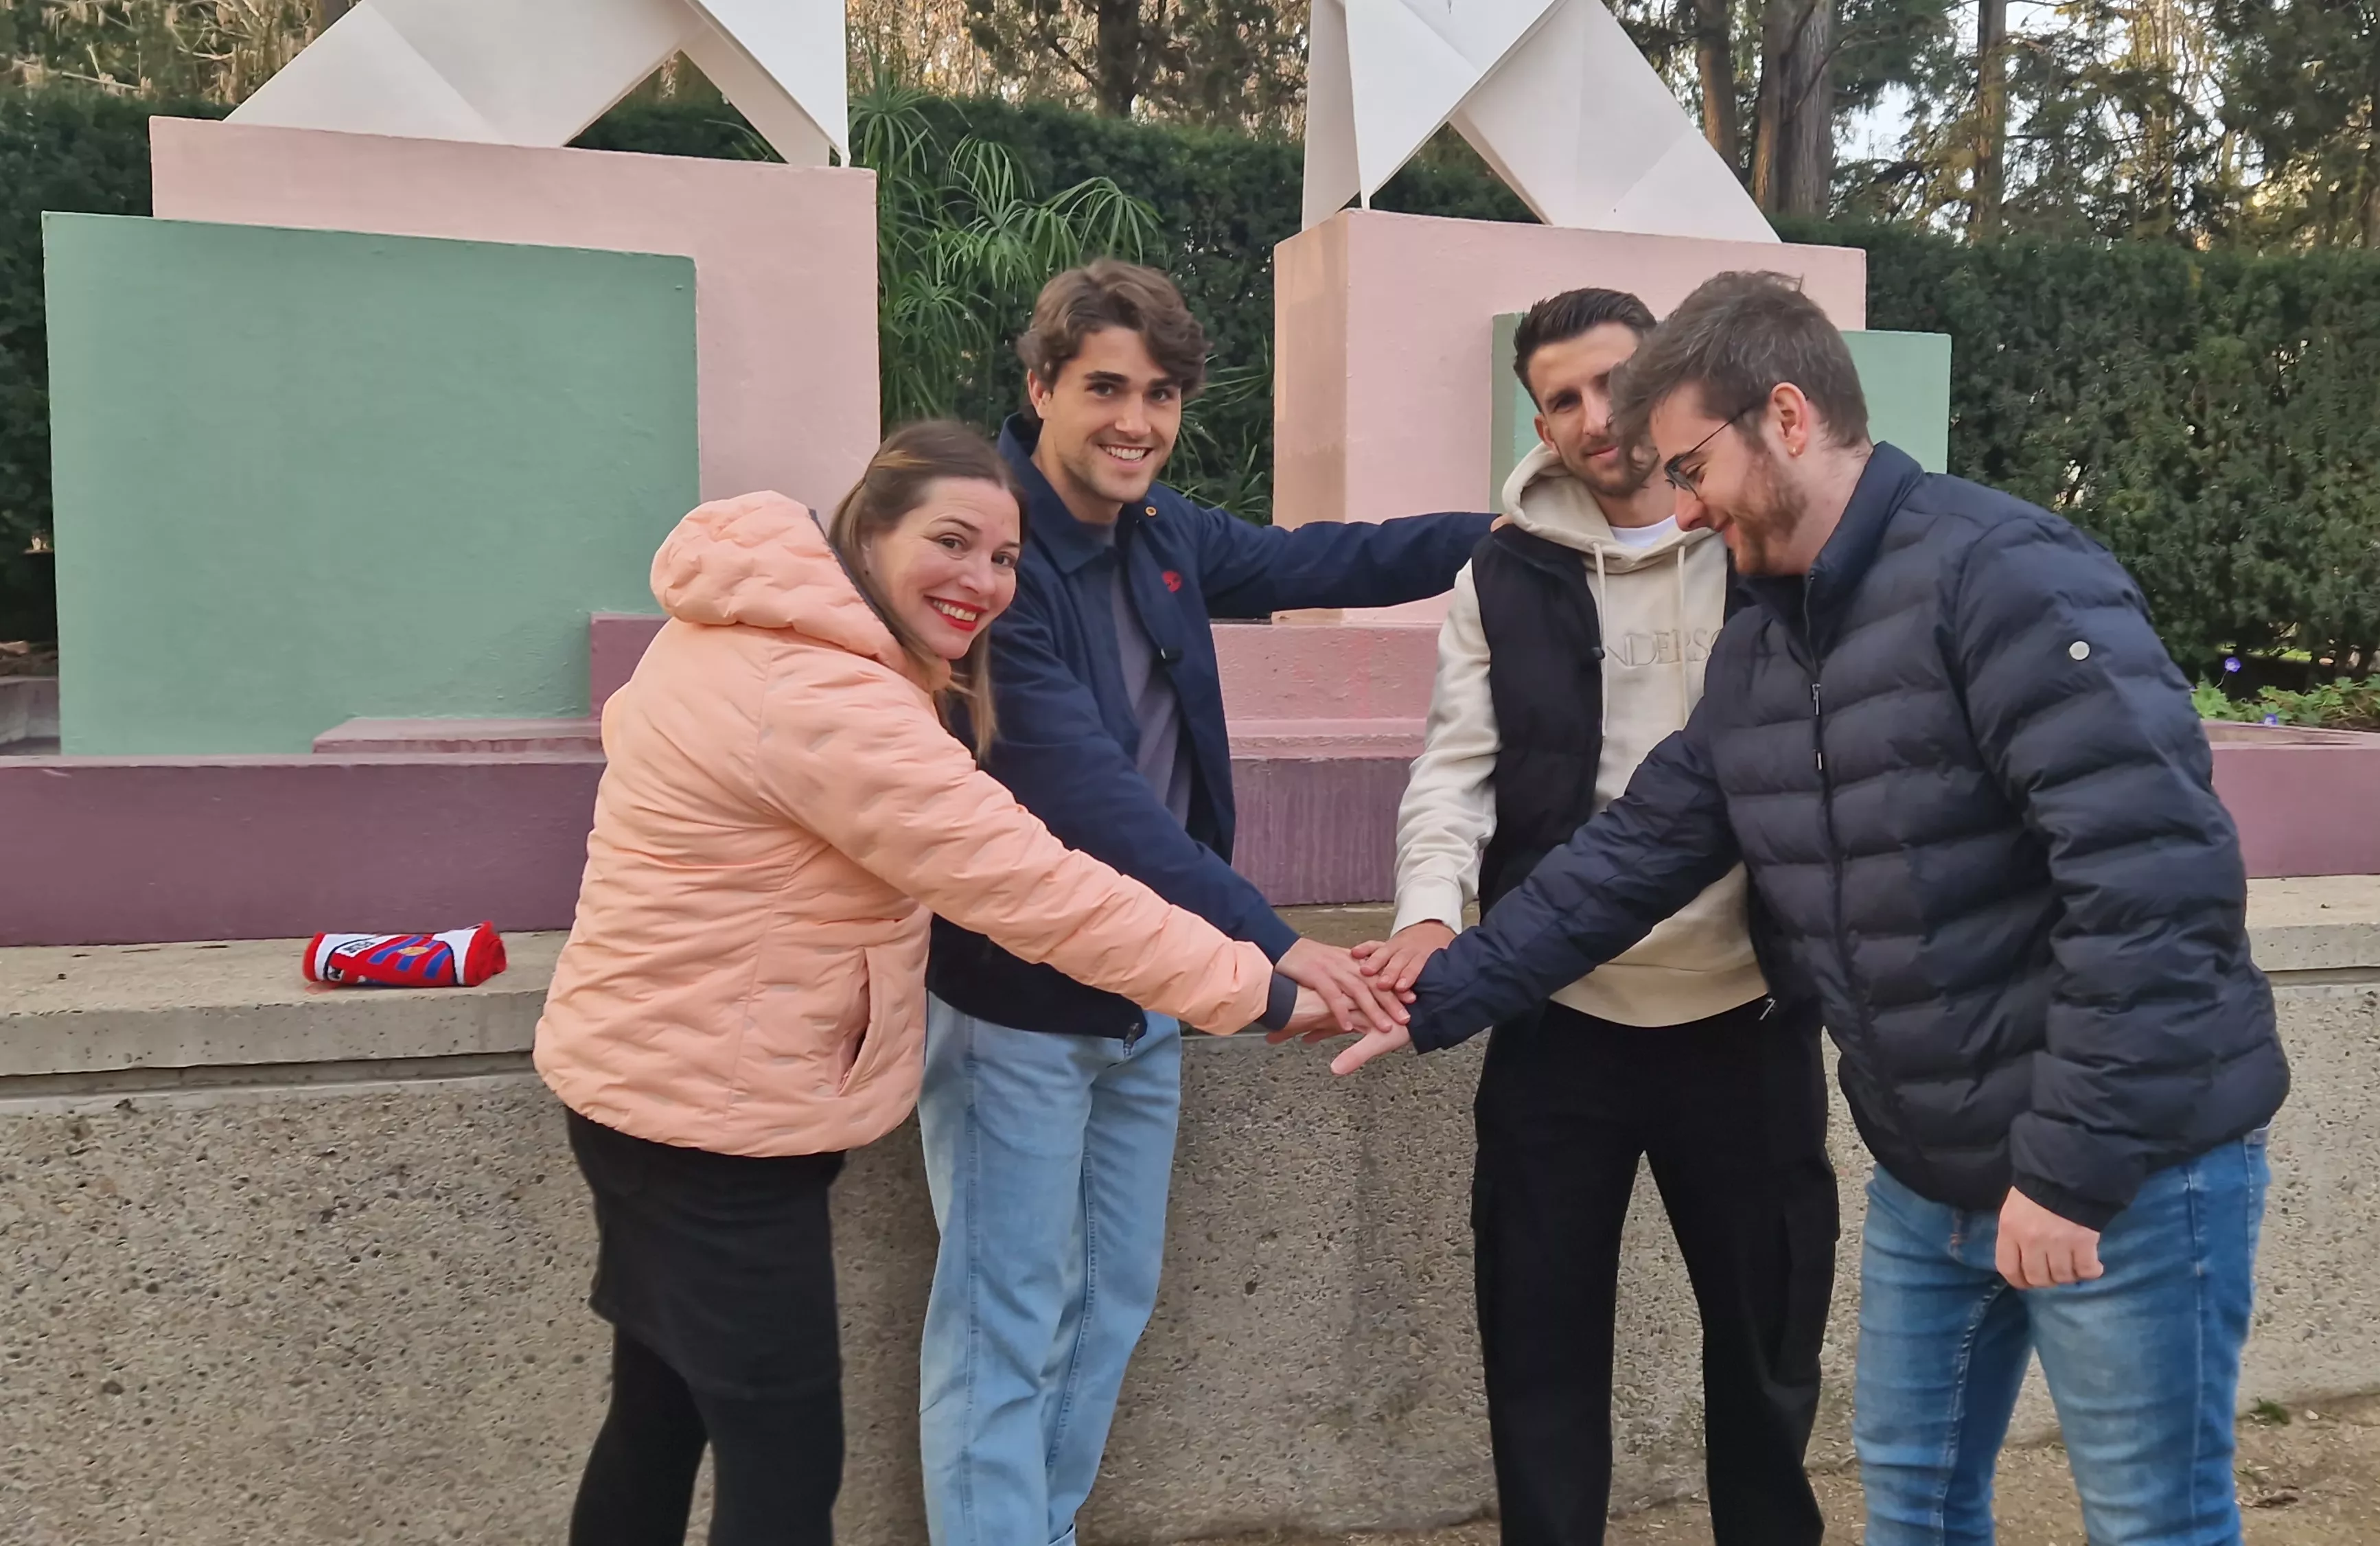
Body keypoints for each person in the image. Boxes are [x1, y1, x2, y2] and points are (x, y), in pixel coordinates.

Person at [1316, 272, 2292, 1546]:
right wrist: (1438, 988)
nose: (1678, 502)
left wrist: (2067, 1169)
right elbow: (1639, 851)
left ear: (1785, 416)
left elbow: (2156, 890)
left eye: (1691, 465)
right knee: (1914, 1507)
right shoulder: (1771, 638)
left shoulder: (2005, 573)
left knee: (2152, 1522)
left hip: (2117, 1169)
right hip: (1929, 1173)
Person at [533, 421, 1360, 1546]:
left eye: (1006, 558)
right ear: (867, 532)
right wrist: (1255, 984)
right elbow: (1034, 885)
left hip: (656, 1088)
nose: (982, 583)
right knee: (785, 1469)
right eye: (952, 542)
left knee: (661, 1417)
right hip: (707, 1130)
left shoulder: (750, 636)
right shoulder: (830, 700)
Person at [916, 259, 1492, 1546]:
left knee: (1111, 1296)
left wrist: (1504, 534)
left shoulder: (1164, 533)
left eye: (1163, 394)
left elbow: (1319, 554)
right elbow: (1092, 798)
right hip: (1019, 997)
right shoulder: (995, 556)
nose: (1137, 420)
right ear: (1040, 388)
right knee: (1006, 1313)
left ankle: (1038, 1528)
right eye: (1107, 388)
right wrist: (1278, 943)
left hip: (1155, 994)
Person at [1356, 287, 1836, 1546]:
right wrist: (1426, 915)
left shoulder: (1760, 543)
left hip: (1748, 1013)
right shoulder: (1501, 571)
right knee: (1539, 1347)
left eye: (1613, 385)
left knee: (1767, 1353)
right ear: (1541, 419)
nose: (1593, 418)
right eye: (1561, 398)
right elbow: (1455, 769)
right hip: (1557, 1021)